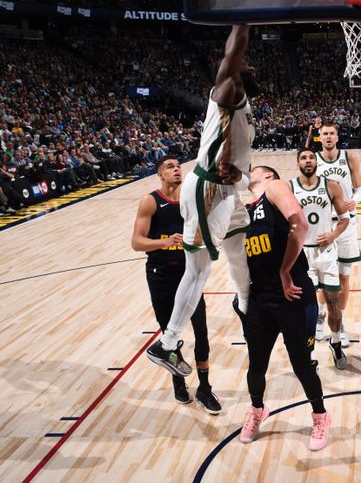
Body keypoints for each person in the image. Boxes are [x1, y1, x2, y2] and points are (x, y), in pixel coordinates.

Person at [147, 24, 257, 377]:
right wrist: (246, 11)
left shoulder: (241, 103)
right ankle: (167, 344)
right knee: (198, 272)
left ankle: (245, 302)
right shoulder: (228, 90)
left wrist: (243, 179)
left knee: (239, 243)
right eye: (245, 63)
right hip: (209, 190)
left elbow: (239, 159)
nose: (251, 66)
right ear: (234, 72)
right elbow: (233, 52)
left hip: (227, 193)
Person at [238, 165, 332, 451]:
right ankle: (257, 410)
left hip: (292, 293)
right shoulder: (244, 210)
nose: (247, 172)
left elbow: (299, 225)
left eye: (253, 170)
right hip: (259, 298)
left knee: (301, 363)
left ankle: (320, 416)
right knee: (256, 365)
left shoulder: (275, 188)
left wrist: (285, 271)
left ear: (268, 175)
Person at [131, 156, 221, 413]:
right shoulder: (151, 201)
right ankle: (178, 381)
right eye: (170, 167)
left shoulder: (189, 201)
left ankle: (205, 387)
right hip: (160, 275)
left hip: (188, 274)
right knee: (169, 334)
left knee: (201, 332)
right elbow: (137, 242)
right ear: (160, 174)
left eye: (178, 166)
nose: (176, 170)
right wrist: (165, 242)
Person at [291, 148, 351, 369]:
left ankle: (335, 344)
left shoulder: (331, 185)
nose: (308, 161)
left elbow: (344, 218)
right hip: (301, 254)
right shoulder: (289, 188)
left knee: (333, 303)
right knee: (305, 308)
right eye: (303, 158)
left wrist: (333, 234)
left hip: (326, 252)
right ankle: (308, 352)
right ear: (298, 162)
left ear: (316, 162)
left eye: (311, 158)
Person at [307, 117, 361, 347]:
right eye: (325, 134)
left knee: (343, 277)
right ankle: (321, 315)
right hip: (322, 224)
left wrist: (355, 201)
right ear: (320, 137)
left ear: (337, 136)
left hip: (346, 222)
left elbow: (360, 188)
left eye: (332, 133)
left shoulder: (349, 156)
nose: (328, 137)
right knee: (322, 280)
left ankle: (339, 322)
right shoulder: (313, 160)